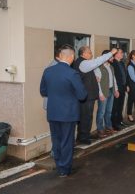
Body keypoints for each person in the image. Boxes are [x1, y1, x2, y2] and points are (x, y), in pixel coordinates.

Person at [40, 45, 87, 177]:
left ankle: (59, 163)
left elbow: (43, 91)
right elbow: (82, 95)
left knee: (56, 140)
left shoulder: (48, 71)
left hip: (53, 111)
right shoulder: (72, 73)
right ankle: (64, 169)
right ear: (71, 57)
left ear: (59, 56)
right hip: (68, 113)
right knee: (67, 141)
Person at [74, 46, 118, 145]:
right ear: (83, 54)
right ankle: (83, 138)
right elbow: (97, 62)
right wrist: (111, 53)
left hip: (88, 95)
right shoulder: (83, 63)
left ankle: (85, 134)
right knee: (85, 117)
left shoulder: (84, 63)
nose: (91, 54)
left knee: (88, 116)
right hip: (86, 96)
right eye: (89, 53)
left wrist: (94, 78)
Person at [94, 50, 119, 139]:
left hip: (111, 91)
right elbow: (98, 83)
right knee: (101, 112)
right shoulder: (98, 67)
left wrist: (116, 90)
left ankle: (108, 127)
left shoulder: (111, 67)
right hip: (104, 92)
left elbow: (114, 79)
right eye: (111, 56)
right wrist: (100, 94)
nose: (112, 58)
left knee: (108, 112)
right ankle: (100, 129)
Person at [111, 49, 128, 131]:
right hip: (117, 88)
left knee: (120, 105)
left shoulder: (121, 62)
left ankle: (119, 120)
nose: (122, 54)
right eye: (121, 52)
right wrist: (115, 89)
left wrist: (126, 85)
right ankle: (114, 124)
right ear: (116, 54)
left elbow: (124, 75)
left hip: (123, 87)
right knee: (115, 106)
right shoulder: (113, 63)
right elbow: (113, 78)